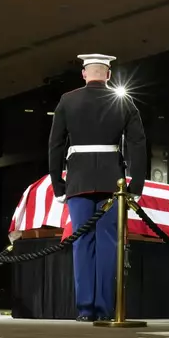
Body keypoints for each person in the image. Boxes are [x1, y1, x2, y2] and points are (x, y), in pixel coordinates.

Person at [48, 53, 147, 322]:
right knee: (108, 245)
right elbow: (138, 143)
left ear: (84, 74)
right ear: (108, 75)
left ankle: (85, 309)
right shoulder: (123, 101)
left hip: (78, 181)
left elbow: (56, 144)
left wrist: (58, 184)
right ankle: (104, 310)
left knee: (82, 244)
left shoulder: (67, 100)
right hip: (111, 181)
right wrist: (135, 185)